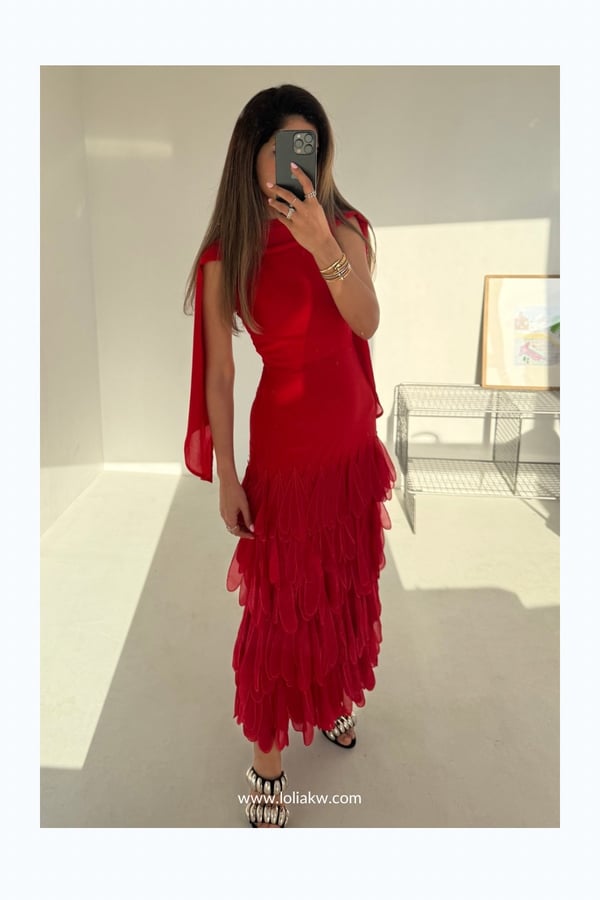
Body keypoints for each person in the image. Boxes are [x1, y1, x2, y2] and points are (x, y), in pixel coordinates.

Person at [183, 84, 396, 828]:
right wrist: (227, 476)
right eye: (282, 149)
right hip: (285, 452)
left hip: (349, 445)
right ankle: (268, 763)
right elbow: (219, 374)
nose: (298, 164)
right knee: (279, 608)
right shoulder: (227, 253)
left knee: (342, 586)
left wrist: (322, 245)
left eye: (310, 147)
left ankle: (330, 695)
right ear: (253, 156)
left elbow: (365, 321)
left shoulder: (346, 228)